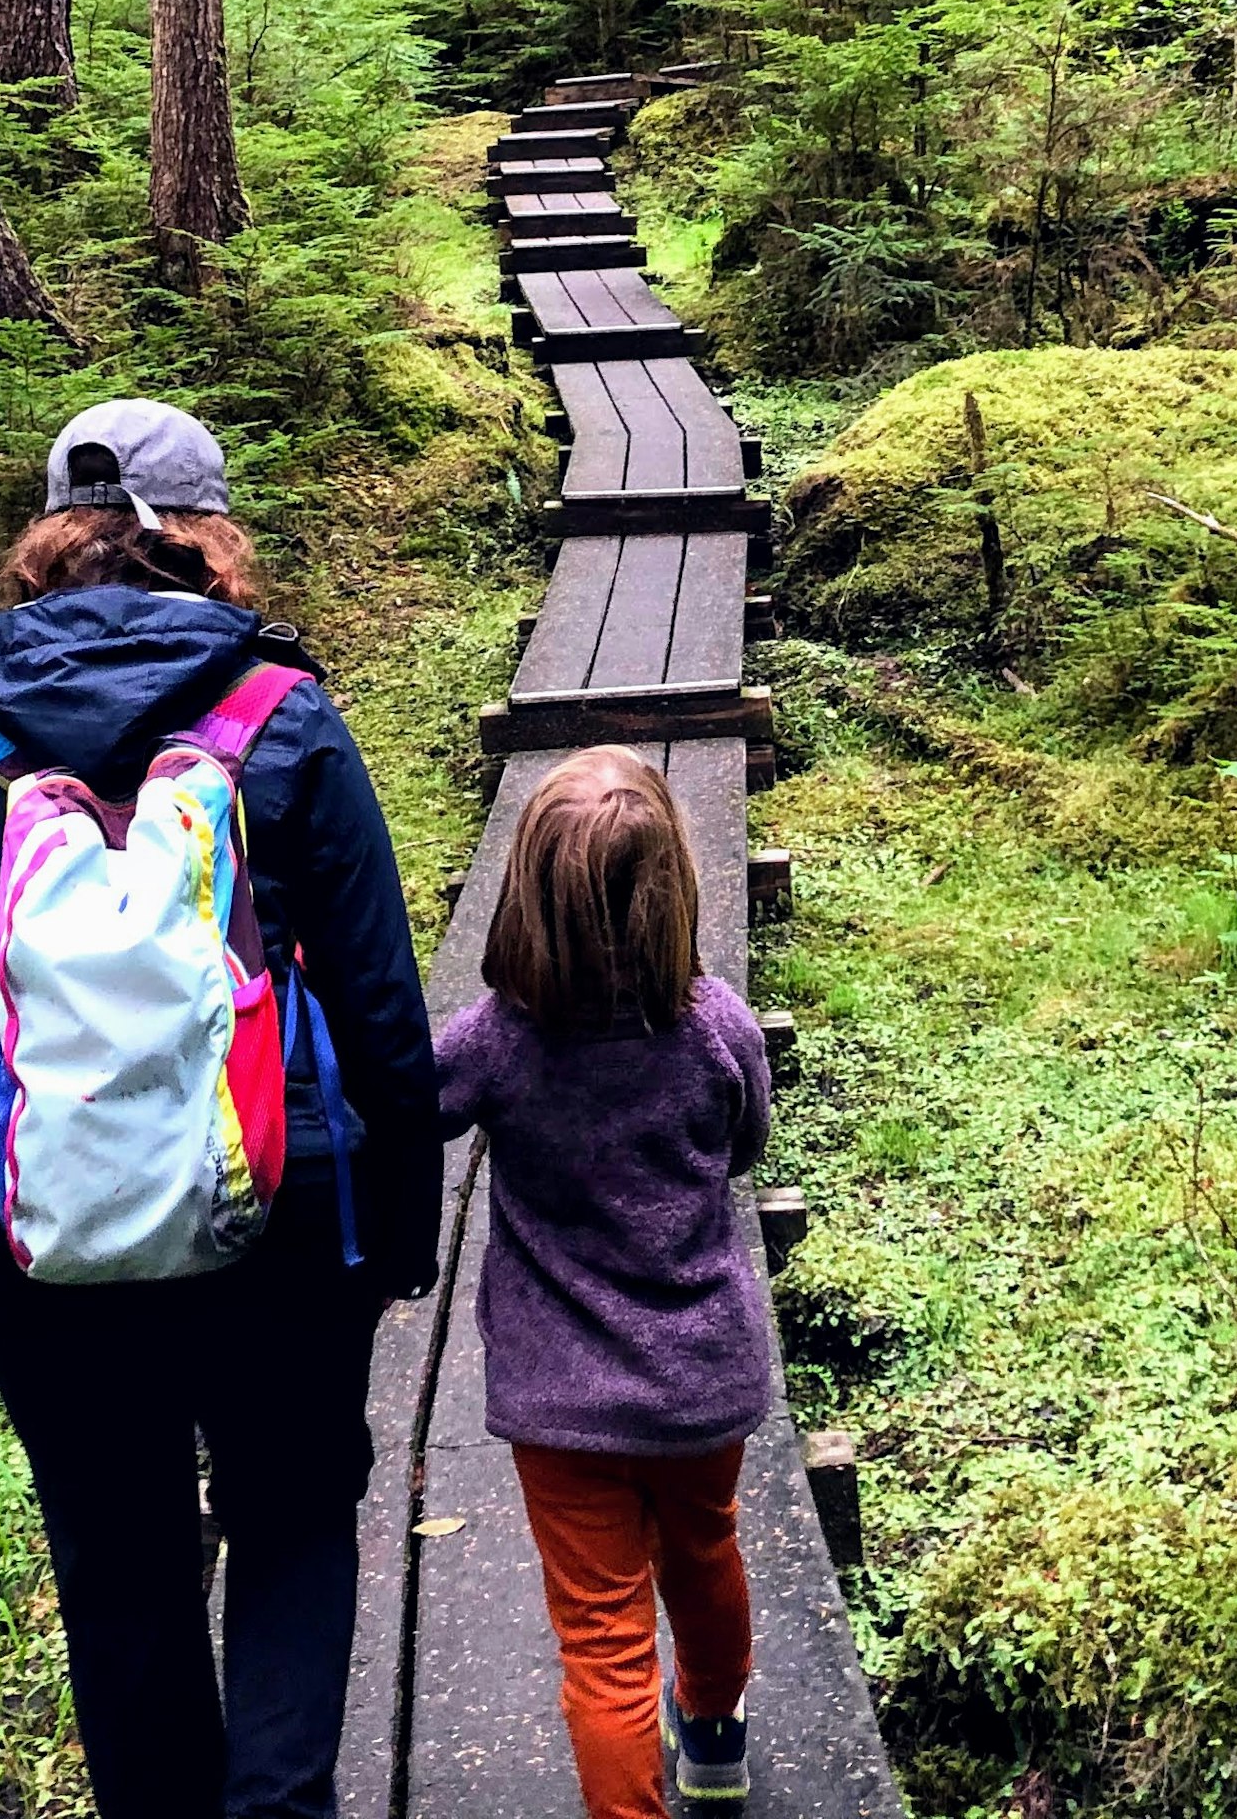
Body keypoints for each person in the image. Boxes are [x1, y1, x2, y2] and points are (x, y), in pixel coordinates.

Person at [0, 398, 442, 1819]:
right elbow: (380, 1005)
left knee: (120, 1570)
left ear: (55, 543)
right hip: (280, 1201)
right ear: (209, 540)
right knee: (294, 1526)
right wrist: (401, 1229)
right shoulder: (280, 715)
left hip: (42, 1218)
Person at [437, 747, 777, 1814]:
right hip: (699, 1385)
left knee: (603, 1638)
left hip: (561, 1399)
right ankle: (715, 1734)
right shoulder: (718, 1024)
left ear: (525, 895)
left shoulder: (498, 1040)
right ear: (675, 884)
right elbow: (746, 1145)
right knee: (705, 1551)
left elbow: (404, 1106)